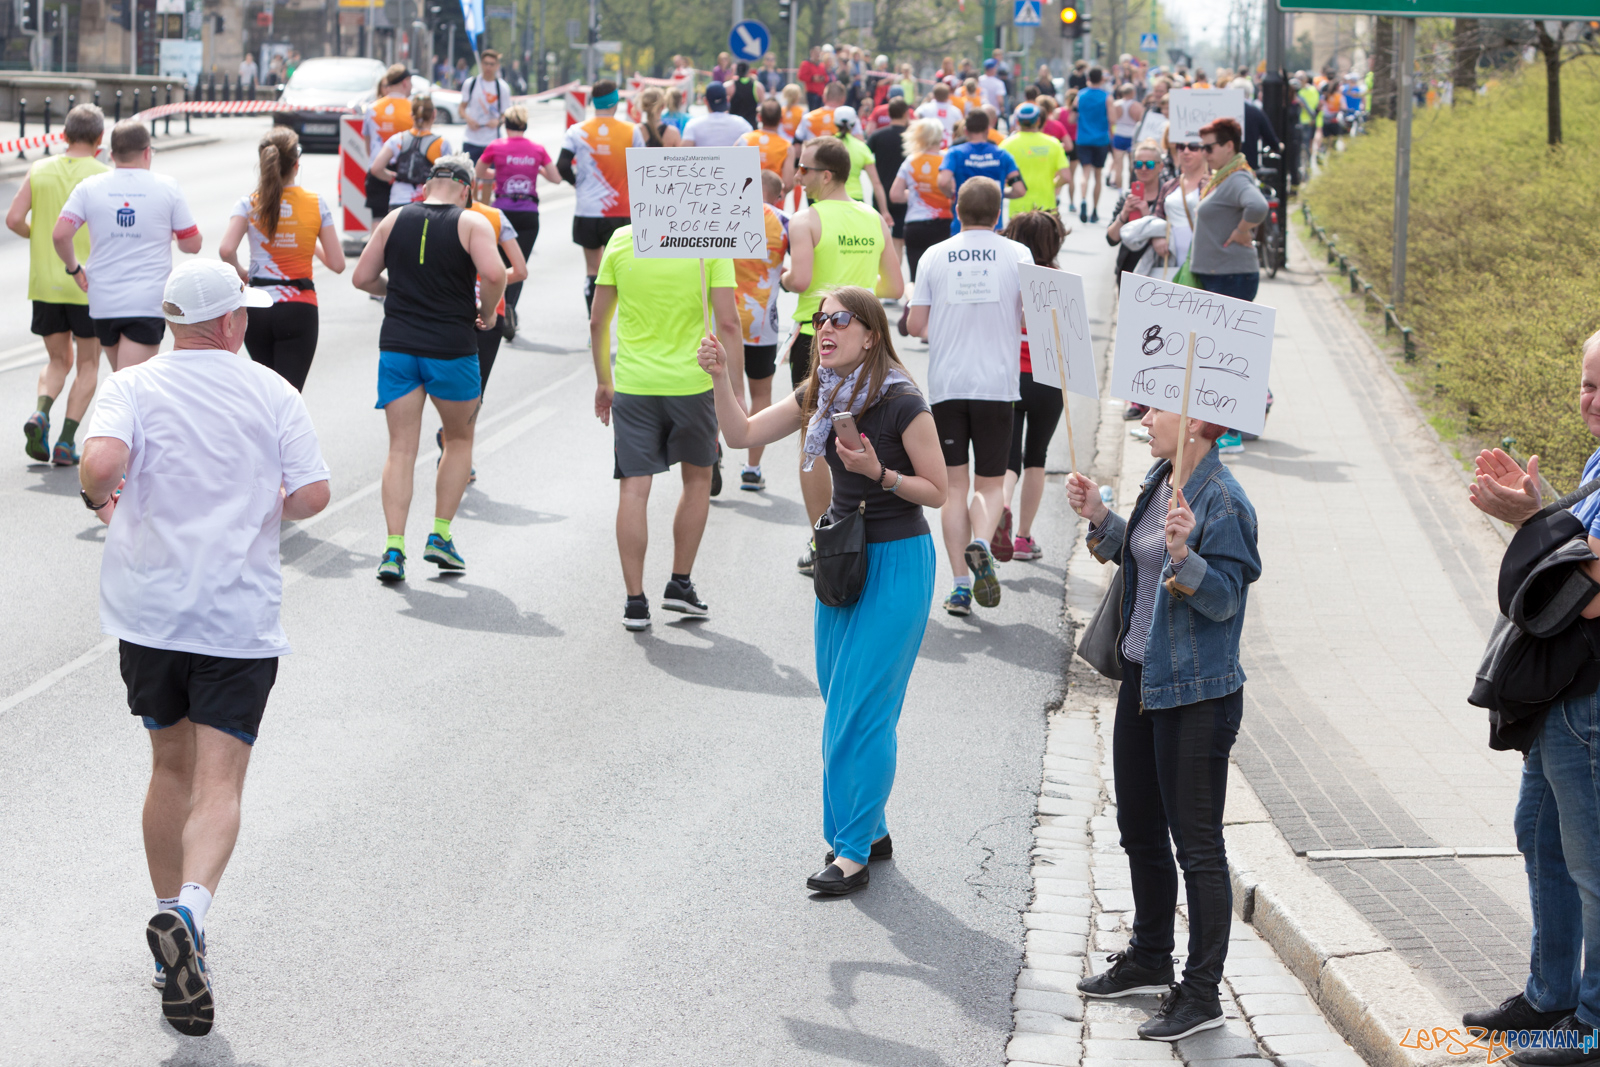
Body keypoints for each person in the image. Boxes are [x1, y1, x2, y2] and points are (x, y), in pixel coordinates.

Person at [78, 258, 330, 1037]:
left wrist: (104, 499)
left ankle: (166, 939)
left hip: (149, 613)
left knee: (169, 767)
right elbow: (313, 494)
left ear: (170, 321)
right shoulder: (272, 391)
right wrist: (266, 502)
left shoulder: (132, 384)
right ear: (232, 323)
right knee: (219, 783)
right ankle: (190, 912)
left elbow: (100, 466)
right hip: (234, 618)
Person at [697, 286, 947, 895]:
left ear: (870, 333)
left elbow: (937, 490)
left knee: (861, 710)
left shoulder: (902, 402)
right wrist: (722, 375)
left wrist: (877, 474)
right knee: (841, 700)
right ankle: (875, 828)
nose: (825, 328)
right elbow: (740, 434)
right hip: (842, 560)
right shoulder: (821, 393)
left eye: (839, 319)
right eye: (819, 319)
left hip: (897, 561)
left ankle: (851, 852)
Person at [1065, 397, 1260, 1041]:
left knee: (1198, 849)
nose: (1145, 421)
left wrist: (1186, 556)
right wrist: (1100, 518)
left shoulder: (1224, 504)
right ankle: (1150, 955)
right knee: (1138, 827)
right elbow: (1137, 560)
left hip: (1196, 699)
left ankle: (1201, 994)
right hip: (1145, 682)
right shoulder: (1159, 480)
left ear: (1200, 422)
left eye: (1157, 412)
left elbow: (1226, 600)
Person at [1462, 331, 1600, 1065]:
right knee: (1538, 833)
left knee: (1592, 862)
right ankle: (1550, 996)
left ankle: (1592, 1025)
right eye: (1587, 384)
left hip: (1591, 698)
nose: (1593, 400)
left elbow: (1584, 595)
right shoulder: (1599, 462)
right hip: (1562, 693)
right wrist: (1541, 504)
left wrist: (1531, 521)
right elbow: (1574, 554)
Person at [350, 157, 506, 582]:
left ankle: (393, 549)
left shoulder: (395, 219)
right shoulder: (473, 223)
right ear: (467, 189)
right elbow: (495, 273)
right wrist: (487, 313)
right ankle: (439, 536)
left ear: (426, 186)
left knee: (400, 448)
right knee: (458, 440)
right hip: (451, 348)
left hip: (398, 346)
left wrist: (393, 291)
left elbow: (362, 277)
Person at [588, 218, 741, 630]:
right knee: (697, 482)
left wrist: (605, 380)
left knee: (634, 490)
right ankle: (680, 583)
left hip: (635, 385)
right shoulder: (710, 243)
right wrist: (734, 392)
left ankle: (635, 602)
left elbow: (598, 321)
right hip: (693, 385)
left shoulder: (621, 240)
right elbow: (727, 323)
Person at [905, 178, 1031, 615]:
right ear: (998, 215)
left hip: (947, 385)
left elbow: (916, 326)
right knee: (990, 484)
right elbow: (1034, 313)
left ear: (957, 210)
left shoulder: (933, 255)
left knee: (953, 487)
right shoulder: (1018, 254)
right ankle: (982, 541)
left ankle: (960, 585)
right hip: (996, 384)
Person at [784, 136, 904, 572]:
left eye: (803, 169)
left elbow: (800, 280)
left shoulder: (806, 220)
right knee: (862, 442)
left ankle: (824, 542)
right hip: (865, 341)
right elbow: (893, 288)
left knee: (813, 447)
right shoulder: (873, 217)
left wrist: (782, 277)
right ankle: (863, 535)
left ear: (826, 175)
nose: (797, 176)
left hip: (816, 339)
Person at [53, 119, 202, 372]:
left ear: (111, 155)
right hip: (146, 301)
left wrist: (75, 269)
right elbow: (192, 244)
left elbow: (60, 235)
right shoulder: (167, 187)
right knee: (131, 387)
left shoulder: (89, 187)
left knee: (123, 381)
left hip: (103, 302)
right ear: (147, 152)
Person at [10, 102, 105, 466]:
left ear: (63, 135)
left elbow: (13, 218)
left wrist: (38, 236)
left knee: (56, 360)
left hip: (46, 284)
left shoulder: (39, 169)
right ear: (99, 139)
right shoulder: (102, 174)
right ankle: (66, 441)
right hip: (86, 283)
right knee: (88, 364)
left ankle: (41, 414)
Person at [219, 127, 345, 392]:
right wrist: (309, 245)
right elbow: (337, 264)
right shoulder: (315, 203)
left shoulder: (249, 203)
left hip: (257, 307)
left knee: (264, 394)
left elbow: (226, 249)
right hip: (299, 307)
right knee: (288, 398)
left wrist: (241, 270)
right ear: (296, 165)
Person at [1191, 117, 1267, 453]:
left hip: (1231, 276)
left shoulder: (1236, 178)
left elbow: (1259, 205)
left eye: (1209, 147)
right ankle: (1246, 414)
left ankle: (1231, 431)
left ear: (1228, 147)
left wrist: (1241, 232)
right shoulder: (1224, 178)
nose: (1203, 153)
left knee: (1226, 356)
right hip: (1220, 274)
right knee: (1224, 353)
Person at [996, 210, 1068, 564]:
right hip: (1048, 380)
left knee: (1008, 458)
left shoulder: (1005, 276)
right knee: (1036, 457)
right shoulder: (1060, 280)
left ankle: (1002, 509)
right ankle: (1023, 537)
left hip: (1011, 377)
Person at [558, 79, 645, 314]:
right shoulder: (631, 130)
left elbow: (562, 165)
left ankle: (594, 323)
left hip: (587, 210)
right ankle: (622, 320)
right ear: (616, 102)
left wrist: (577, 183)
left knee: (592, 269)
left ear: (593, 102)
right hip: (621, 212)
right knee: (621, 269)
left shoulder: (577, 130)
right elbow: (643, 170)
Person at [474, 104, 560, 320]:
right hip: (529, 214)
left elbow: (478, 173)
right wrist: (535, 169)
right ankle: (511, 306)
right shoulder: (537, 149)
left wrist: (501, 173)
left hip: (502, 213)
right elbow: (556, 178)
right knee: (519, 265)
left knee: (501, 265)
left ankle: (499, 310)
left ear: (506, 124)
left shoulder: (496, 146)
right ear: (525, 125)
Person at [732, 170, 790, 491]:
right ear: (778, 195)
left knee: (720, 393)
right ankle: (752, 468)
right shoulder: (784, 223)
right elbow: (801, 269)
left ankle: (711, 450)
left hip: (722, 319)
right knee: (760, 395)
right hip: (762, 325)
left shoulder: (723, 214)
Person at [890, 118, 955, 318]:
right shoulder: (947, 159)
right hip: (944, 223)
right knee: (943, 277)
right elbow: (952, 190)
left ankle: (918, 320)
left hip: (916, 225)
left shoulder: (911, 161)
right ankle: (939, 321)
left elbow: (895, 195)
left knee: (917, 276)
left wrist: (915, 194)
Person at [936, 111, 1026, 229]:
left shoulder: (955, 153)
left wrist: (953, 195)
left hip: (962, 226)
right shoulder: (1003, 155)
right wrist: (1000, 193)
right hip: (992, 227)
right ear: (987, 131)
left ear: (965, 131)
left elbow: (943, 181)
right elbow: (1019, 190)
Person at [369, 93, 452, 212]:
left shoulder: (398, 139)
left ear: (411, 115)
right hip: (427, 201)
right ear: (434, 114)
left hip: (399, 200)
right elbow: (449, 176)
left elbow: (376, 169)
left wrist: (393, 177)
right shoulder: (441, 143)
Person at [1001, 103, 1071, 217]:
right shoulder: (1053, 143)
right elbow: (1066, 177)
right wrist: (1052, 185)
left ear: (1018, 121)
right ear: (1038, 121)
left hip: (1018, 211)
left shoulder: (1006, 145)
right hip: (1046, 209)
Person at [363, 65, 413, 221]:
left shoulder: (372, 108)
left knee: (378, 220)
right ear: (405, 82)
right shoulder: (412, 109)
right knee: (403, 223)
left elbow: (368, 143)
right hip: (404, 171)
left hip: (377, 168)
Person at [866, 98, 910, 263]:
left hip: (881, 193)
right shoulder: (910, 138)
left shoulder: (878, 136)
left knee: (879, 240)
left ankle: (880, 278)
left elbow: (864, 157)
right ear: (906, 114)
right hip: (902, 194)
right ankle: (896, 280)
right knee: (898, 241)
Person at [831, 106, 892, 226]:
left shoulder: (824, 145)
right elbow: (876, 183)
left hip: (828, 199)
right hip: (855, 199)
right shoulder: (862, 147)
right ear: (854, 124)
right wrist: (884, 212)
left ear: (835, 123)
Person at [459, 49, 512, 164]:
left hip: (492, 141)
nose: (488, 67)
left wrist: (498, 122)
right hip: (471, 140)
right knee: (469, 179)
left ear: (497, 66)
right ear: (481, 64)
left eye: (491, 64)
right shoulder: (470, 83)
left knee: (491, 179)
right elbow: (461, 108)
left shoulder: (502, 87)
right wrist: (468, 119)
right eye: (485, 64)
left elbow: (507, 115)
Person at [1074, 67, 1111, 223]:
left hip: (1083, 138)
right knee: (1098, 176)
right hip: (1101, 139)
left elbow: (1072, 116)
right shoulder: (1107, 97)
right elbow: (1113, 118)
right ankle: (1094, 210)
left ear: (1088, 78)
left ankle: (1083, 200)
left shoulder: (1080, 95)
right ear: (1102, 79)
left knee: (1085, 173)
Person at [739, 98, 796, 192]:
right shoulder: (787, 147)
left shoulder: (744, 140)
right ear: (781, 119)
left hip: (746, 198)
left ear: (759, 117)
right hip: (774, 201)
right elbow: (788, 183)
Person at [682, 82, 753, 147]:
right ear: (727, 99)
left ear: (705, 101)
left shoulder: (693, 125)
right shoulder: (743, 125)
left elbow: (684, 155)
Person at [1109, 84, 1142, 189]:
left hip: (1119, 135)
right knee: (1132, 166)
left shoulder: (1115, 104)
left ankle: (1119, 191)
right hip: (1132, 136)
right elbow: (1140, 122)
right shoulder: (1137, 105)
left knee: (1118, 166)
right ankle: (1130, 188)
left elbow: (1111, 121)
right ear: (1132, 93)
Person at [795, 80, 846, 146]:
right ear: (843, 99)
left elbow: (797, 142)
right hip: (840, 155)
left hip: (812, 154)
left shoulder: (808, 117)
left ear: (824, 98)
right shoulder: (849, 119)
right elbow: (859, 141)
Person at [726, 60, 763, 127]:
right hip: (751, 127)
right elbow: (763, 107)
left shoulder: (729, 86)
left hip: (734, 127)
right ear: (748, 71)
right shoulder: (758, 87)